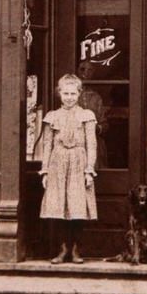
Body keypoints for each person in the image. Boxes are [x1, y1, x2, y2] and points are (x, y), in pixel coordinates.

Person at [39, 73, 99, 263]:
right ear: (59, 94)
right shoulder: (52, 116)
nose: (69, 97)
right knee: (58, 206)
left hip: (78, 163)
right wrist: (45, 171)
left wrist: (89, 170)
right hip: (57, 163)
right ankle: (62, 248)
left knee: (77, 206)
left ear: (79, 94)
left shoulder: (86, 116)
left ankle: (75, 249)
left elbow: (92, 144)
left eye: (73, 93)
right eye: (65, 93)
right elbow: (47, 145)